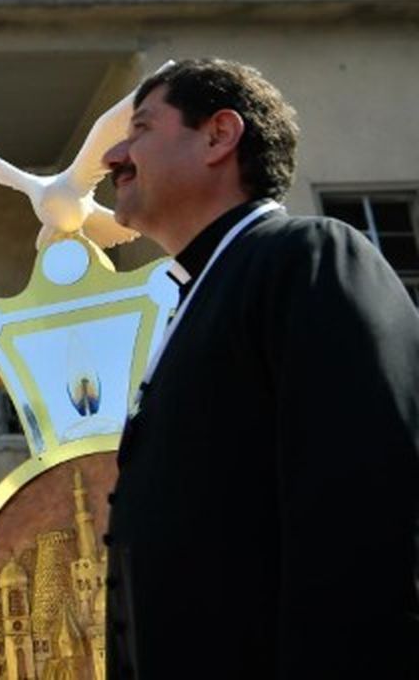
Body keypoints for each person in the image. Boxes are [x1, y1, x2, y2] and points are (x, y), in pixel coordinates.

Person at [100, 60, 419, 677]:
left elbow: (369, 517)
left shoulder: (308, 259)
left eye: (140, 128)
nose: (114, 154)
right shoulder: (203, 293)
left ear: (219, 136)